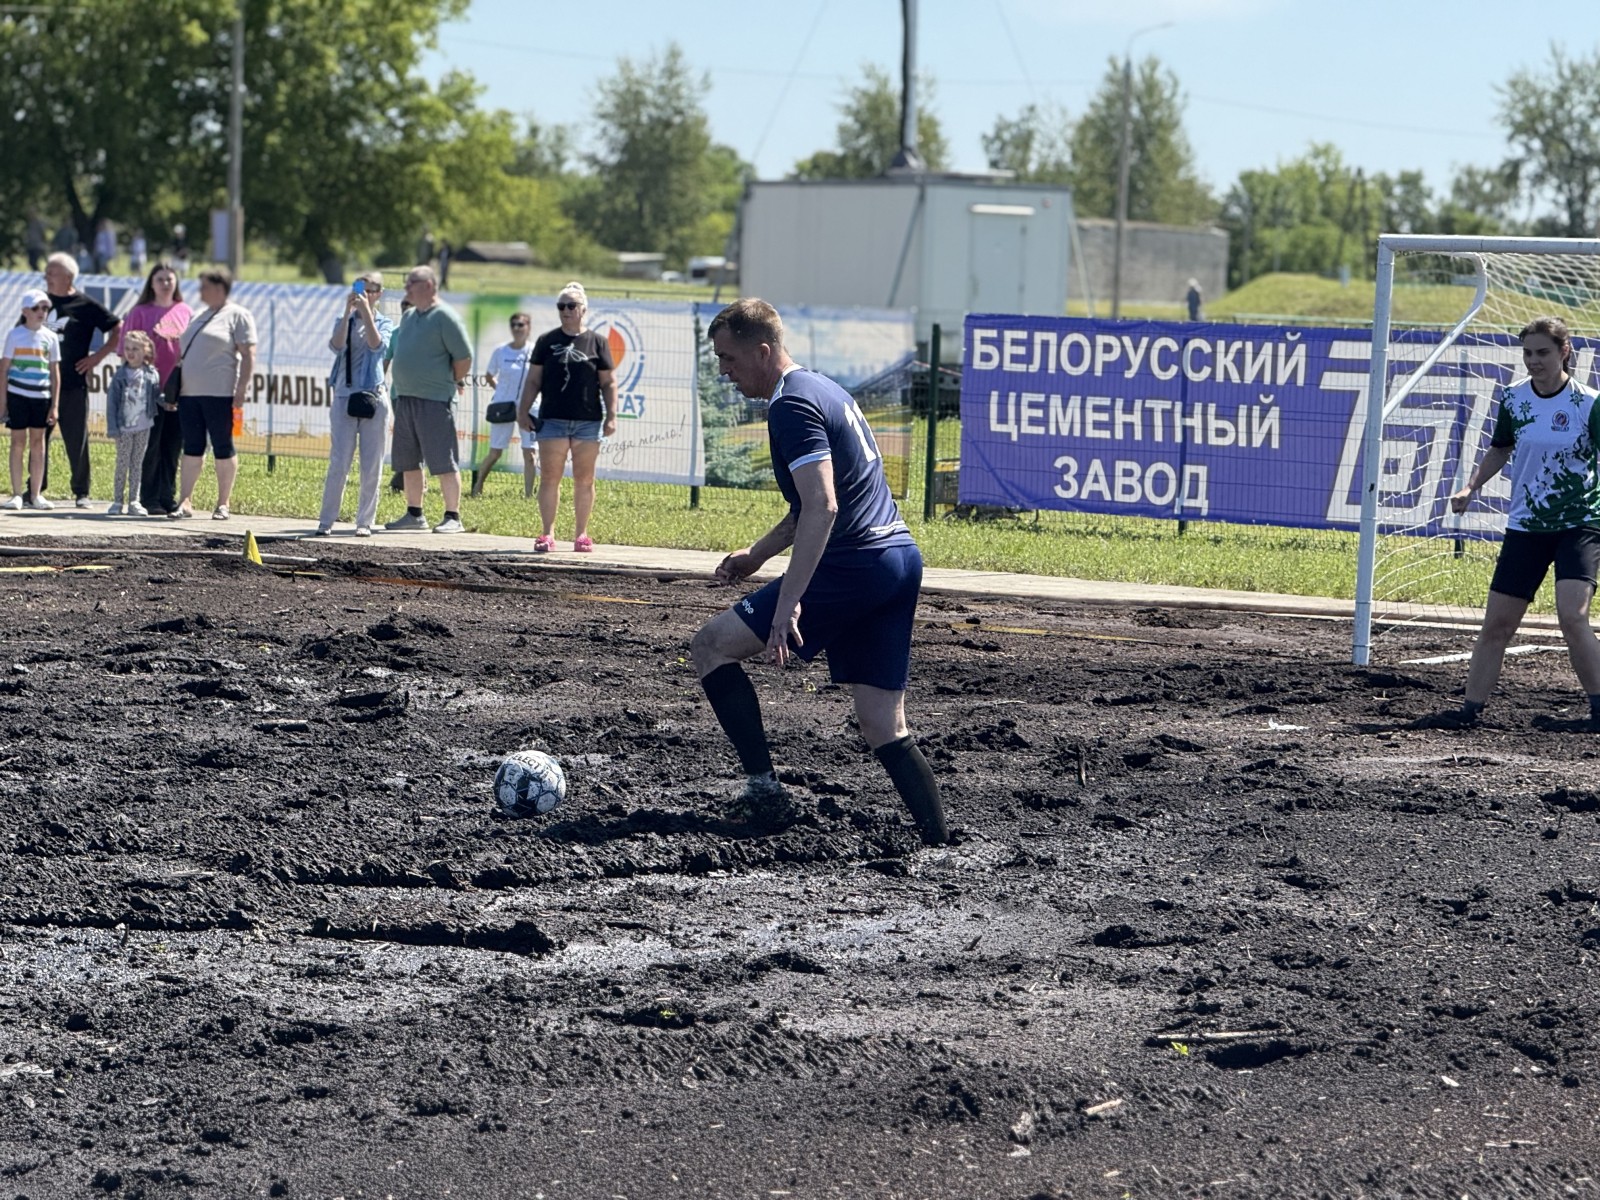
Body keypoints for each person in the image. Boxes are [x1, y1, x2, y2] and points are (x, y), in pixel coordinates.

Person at [687, 298, 949, 845]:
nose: (724, 372)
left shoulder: (791, 406)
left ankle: (764, 794)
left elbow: (824, 505)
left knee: (711, 645)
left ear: (763, 350)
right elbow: (819, 504)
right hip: (898, 558)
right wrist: (757, 556)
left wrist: (786, 607)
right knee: (883, 726)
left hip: (856, 564)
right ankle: (940, 842)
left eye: (729, 359)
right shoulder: (824, 388)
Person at [1442, 315, 1600, 730]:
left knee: (1572, 615)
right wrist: (1471, 487)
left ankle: (1599, 710)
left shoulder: (1588, 402)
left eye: (1542, 352)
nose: (1533, 361)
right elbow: (1500, 448)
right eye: (1528, 353)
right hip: (1526, 526)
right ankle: (1469, 711)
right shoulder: (1513, 398)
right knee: (1497, 623)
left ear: (1564, 352)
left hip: (1578, 525)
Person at [517, 282, 615, 552]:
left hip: (588, 420)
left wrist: (612, 416)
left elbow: (608, 383)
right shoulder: (547, 342)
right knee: (550, 477)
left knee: (585, 479)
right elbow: (533, 379)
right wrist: (522, 410)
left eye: (571, 305)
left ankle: (582, 534)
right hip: (553, 419)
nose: (566, 310)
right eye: (561, 306)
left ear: (583, 309)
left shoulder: (598, 342)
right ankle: (547, 533)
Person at [383, 264, 471, 534]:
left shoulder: (445, 317)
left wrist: (447, 382)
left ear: (429, 286)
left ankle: (452, 516)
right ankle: (414, 514)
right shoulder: (409, 317)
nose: (406, 287)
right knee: (408, 460)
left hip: (434, 400)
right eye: (406, 282)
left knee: (443, 460)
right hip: (405, 398)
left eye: (412, 282)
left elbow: (464, 359)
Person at [172, 267, 256, 521]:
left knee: (222, 446)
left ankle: (223, 503)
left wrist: (241, 389)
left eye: (205, 286)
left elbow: (249, 354)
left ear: (219, 288)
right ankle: (185, 500)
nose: (200, 291)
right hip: (189, 394)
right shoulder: (198, 315)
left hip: (219, 395)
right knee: (192, 447)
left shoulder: (238, 315)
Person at [316, 271, 392, 537]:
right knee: (339, 461)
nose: (364, 295)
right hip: (344, 396)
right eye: (360, 289)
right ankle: (326, 521)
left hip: (373, 397)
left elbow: (376, 346)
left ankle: (364, 522)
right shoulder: (344, 320)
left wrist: (367, 313)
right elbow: (336, 346)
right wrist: (349, 311)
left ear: (379, 294)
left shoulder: (384, 322)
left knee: (372, 463)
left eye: (370, 290)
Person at [42, 250, 121, 506]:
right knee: (37, 438)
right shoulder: (38, 302)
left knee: (77, 438)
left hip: (73, 382)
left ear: (67, 276)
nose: (47, 276)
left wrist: (96, 358)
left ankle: (81, 492)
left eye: (51, 272)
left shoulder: (85, 305)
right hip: (41, 384)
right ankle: (35, 490)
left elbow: (117, 328)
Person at [120, 262, 193, 516]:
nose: (165, 283)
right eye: (160, 279)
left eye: (169, 279)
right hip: (146, 389)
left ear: (176, 283)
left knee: (172, 445)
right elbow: (125, 352)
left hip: (177, 390)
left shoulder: (185, 312)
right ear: (151, 283)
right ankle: (148, 497)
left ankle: (167, 495)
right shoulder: (139, 313)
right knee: (149, 445)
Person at [0, 290, 61, 511]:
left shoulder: (51, 337)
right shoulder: (14, 335)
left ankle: (35, 495)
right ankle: (17, 494)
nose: (41, 312)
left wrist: (54, 405)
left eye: (45, 308)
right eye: (36, 308)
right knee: (17, 443)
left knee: (38, 443)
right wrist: (3, 402)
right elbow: (4, 369)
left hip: (41, 397)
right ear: (25, 311)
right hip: (18, 395)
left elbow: (54, 372)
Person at [472, 312, 538, 499]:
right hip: (504, 407)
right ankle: (477, 485)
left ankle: (528, 495)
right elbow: (489, 375)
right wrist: (500, 391)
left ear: (528, 327)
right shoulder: (501, 351)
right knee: (495, 452)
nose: (517, 329)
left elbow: (541, 377)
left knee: (530, 453)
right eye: (514, 325)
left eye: (521, 325)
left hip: (530, 407)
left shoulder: (535, 350)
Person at [104, 330, 160, 515]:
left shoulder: (151, 374)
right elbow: (112, 403)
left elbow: (155, 396)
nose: (130, 352)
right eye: (127, 348)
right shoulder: (120, 376)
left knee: (137, 464)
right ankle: (117, 501)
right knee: (122, 463)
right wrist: (113, 428)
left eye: (135, 348)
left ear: (145, 351)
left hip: (144, 426)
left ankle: (134, 501)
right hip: (124, 427)